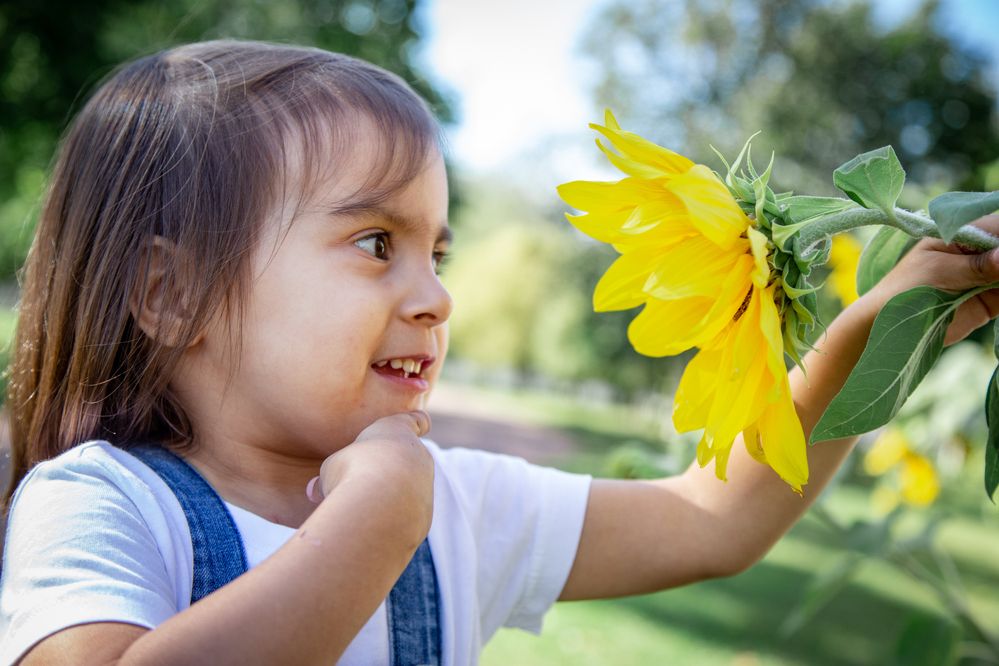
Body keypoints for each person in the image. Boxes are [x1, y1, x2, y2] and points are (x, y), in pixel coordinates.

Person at [1, 39, 998, 665]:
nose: (436, 297)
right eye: (373, 244)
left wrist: (876, 335)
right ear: (172, 295)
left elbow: (711, 518)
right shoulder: (99, 506)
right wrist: (378, 520)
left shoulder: (461, 505)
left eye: (438, 251)